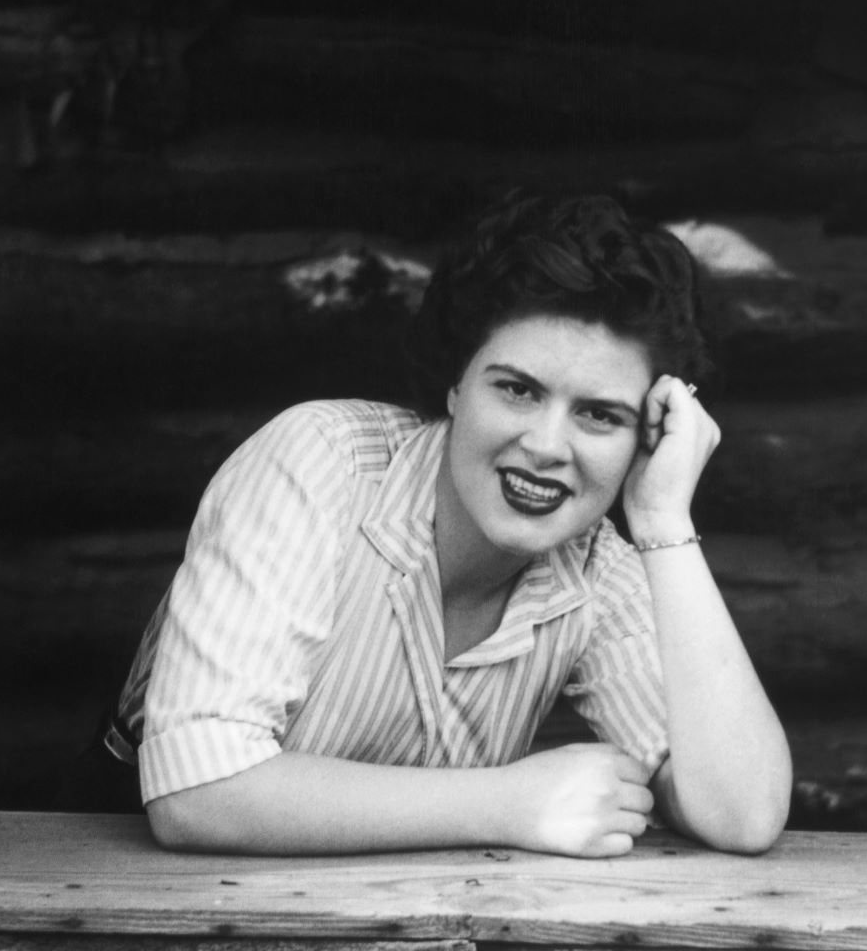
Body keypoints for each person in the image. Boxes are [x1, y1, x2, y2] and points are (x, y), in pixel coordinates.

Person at [101, 190, 792, 858]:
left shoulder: (597, 570)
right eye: (517, 389)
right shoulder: (323, 464)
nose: (548, 446)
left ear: (643, 438)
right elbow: (197, 792)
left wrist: (663, 519)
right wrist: (508, 803)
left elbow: (743, 813)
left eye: (599, 415)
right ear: (456, 385)